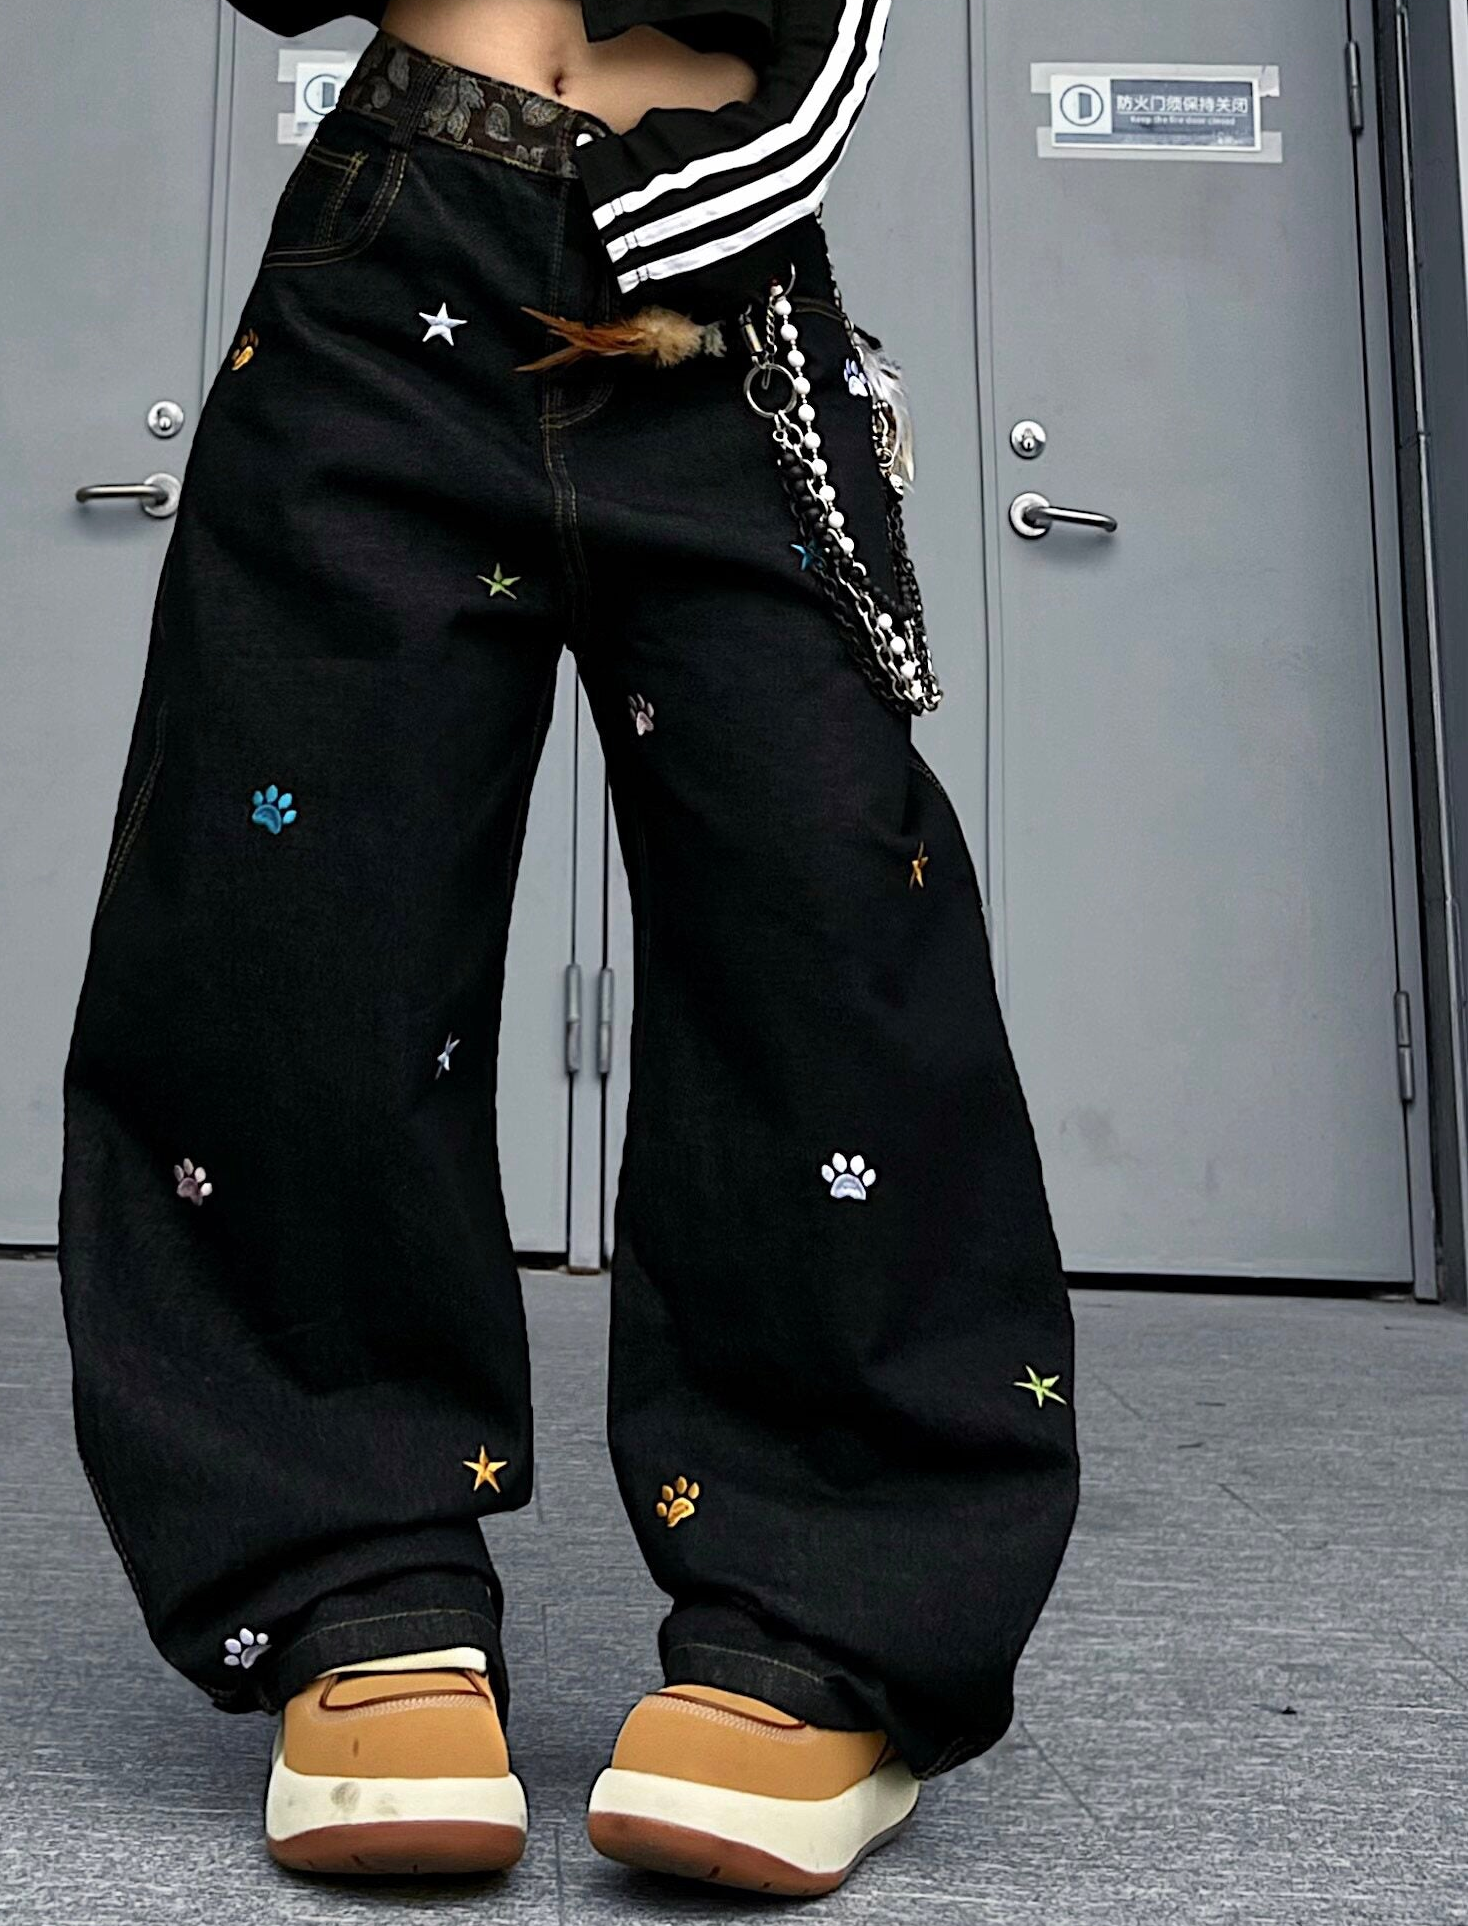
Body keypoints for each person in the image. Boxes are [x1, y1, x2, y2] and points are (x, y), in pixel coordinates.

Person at [58, 0, 1080, 1898]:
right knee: (296, 918)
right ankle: (354, 1581)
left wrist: (716, 196)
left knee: (827, 910)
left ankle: (828, 1609)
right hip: (393, 241)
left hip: (706, 280)